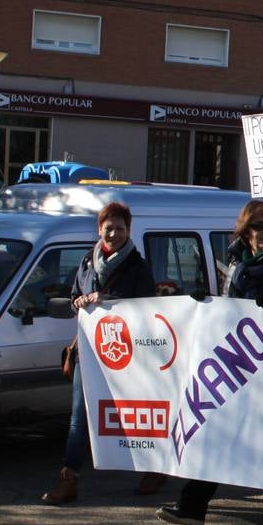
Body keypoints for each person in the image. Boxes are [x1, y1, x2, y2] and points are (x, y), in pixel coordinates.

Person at [156, 200, 263, 525]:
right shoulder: (238, 267)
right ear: (245, 232)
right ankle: (192, 507)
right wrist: (206, 306)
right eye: (258, 226)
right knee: (218, 430)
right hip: (239, 365)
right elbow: (227, 313)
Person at [41, 202, 157, 504]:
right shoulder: (87, 262)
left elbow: (149, 310)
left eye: (120, 228)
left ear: (128, 230)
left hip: (127, 355)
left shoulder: (137, 267)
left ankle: (156, 468)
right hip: (89, 351)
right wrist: (80, 301)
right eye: (110, 228)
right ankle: (69, 480)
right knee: (79, 417)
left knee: (139, 414)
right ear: (99, 230)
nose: (115, 234)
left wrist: (107, 301)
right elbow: (72, 297)